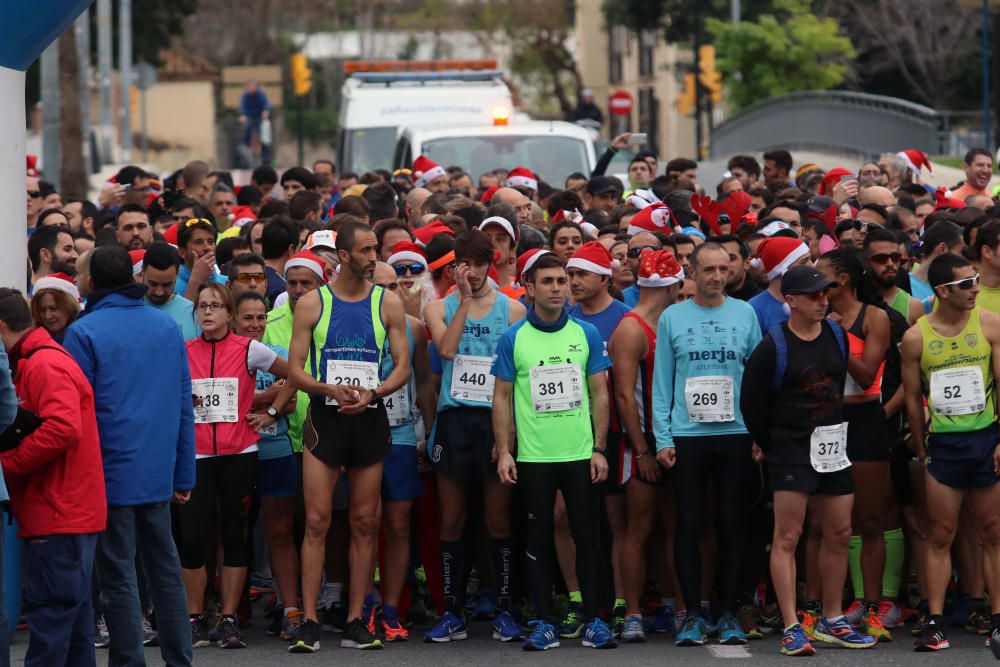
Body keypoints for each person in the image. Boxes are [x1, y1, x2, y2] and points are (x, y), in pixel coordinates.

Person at [62, 244, 195, 667]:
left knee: (118, 575)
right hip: (156, 468)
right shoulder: (166, 328)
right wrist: (184, 472)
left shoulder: (83, 332)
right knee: (165, 571)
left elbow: (76, 412)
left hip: (107, 471)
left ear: (91, 283)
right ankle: (180, 659)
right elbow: (182, 405)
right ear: (134, 279)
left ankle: (128, 661)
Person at [285, 222, 410, 652]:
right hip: (326, 417)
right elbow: (296, 368)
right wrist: (326, 389)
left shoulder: (387, 302)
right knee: (317, 521)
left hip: (369, 416)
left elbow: (402, 366)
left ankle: (358, 618)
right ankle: (311, 620)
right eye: (365, 250)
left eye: (376, 249)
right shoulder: (312, 304)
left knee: (363, 522)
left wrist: (374, 392)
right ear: (342, 254)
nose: (374, 256)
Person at [741, 265, 877, 656]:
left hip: (833, 447)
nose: (823, 300)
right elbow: (752, 404)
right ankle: (791, 625)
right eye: (815, 295)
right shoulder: (773, 346)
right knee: (788, 536)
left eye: (825, 293)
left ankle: (831, 619)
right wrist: (772, 443)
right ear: (792, 300)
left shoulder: (836, 334)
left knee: (838, 532)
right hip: (790, 450)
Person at [491, 252, 616, 651]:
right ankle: (544, 620)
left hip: (579, 455)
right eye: (547, 282)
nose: (557, 289)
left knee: (587, 536)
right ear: (529, 288)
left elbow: (600, 393)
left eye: (562, 281)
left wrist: (599, 448)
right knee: (537, 538)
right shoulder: (514, 338)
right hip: (534, 457)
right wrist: (505, 451)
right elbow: (501, 398)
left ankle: (596, 619)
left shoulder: (586, 334)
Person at [651, 242, 762, 646]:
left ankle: (729, 612)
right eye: (708, 270)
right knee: (689, 522)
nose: (717, 276)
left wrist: (757, 435)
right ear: (692, 273)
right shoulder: (672, 317)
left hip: (735, 435)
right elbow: (662, 381)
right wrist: (663, 437)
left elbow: (756, 380)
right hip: (688, 436)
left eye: (723, 268)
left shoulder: (745, 313)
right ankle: (694, 615)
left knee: (733, 523)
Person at [422, 230, 527, 643]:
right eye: (467, 265)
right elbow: (446, 351)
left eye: (482, 265)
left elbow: (517, 378)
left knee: (497, 519)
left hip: (495, 421)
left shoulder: (513, 310)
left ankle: (503, 607)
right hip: (454, 422)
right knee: (451, 519)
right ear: (455, 268)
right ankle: (452, 611)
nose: (475, 272)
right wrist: (464, 300)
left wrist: (510, 439)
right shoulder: (438, 306)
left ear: (492, 264)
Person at [180, 283, 290, 649]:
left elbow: (293, 376)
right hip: (196, 457)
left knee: (233, 535)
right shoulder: (184, 352)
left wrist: (269, 409)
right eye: (202, 306)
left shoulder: (249, 349)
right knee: (193, 537)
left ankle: (228, 618)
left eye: (215, 306)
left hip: (239, 454)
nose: (208, 312)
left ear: (229, 314)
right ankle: (195, 617)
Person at [900, 254, 1000, 655]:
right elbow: (911, 399)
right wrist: (922, 448)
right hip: (944, 447)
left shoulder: (990, 324)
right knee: (940, 534)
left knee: (992, 533)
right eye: (967, 283)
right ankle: (935, 622)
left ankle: (997, 620)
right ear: (942, 291)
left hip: (985, 441)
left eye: (976, 279)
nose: (976, 287)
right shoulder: (915, 337)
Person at [0, 289, 105, 666]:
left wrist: (7, 464)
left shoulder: (42, 364)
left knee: (54, 624)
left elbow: (62, 429)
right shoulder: (40, 359)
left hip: (58, 511)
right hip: (67, 510)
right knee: (72, 626)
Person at [815, 249, 893, 641]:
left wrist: (837, 335)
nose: (815, 281)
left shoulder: (874, 318)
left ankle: (871, 603)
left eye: (821, 273)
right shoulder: (815, 316)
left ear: (842, 279)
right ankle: (819, 606)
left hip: (864, 420)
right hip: (826, 421)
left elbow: (865, 378)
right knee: (825, 523)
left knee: (870, 520)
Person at [609, 249, 683, 643]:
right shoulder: (632, 329)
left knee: (676, 527)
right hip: (640, 441)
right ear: (672, 285)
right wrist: (641, 451)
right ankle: (634, 611)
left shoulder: (670, 323)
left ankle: (676, 605)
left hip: (673, 435)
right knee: (639, 528)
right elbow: (623, 397)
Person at [565, 241, 631, 634]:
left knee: (615, 519)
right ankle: (576, 599)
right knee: (563, 518)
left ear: (605, 278)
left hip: (614, 434)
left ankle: (622, 600)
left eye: (581, 274)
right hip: (564, 434)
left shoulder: (625, 319)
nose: (572, 282)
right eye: (570, 274)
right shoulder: (563, 318)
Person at [371, 262, 436, 642]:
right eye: (381, 286)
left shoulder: (414, 329)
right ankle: (364, 604)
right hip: (360, 435)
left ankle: (393, 609)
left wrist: (429, 435)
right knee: (364, 524)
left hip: (400, 437)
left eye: (395, 285)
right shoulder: (353, 325)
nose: (391, 293)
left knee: (398, 524)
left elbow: (424, 384)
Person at [747, 237, 811, 335]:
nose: (812, 266)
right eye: (804, 261)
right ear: (782, 269)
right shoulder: (754, 309)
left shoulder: (813, 299)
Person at [863, 227, 923, 324]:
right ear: (866, 261)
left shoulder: (914, 307)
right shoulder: (855, 300)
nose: (890, 263)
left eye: (895, 257)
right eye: (881, 258)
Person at [142, 242, 200, 340]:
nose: (159, 292)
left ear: (178, 273)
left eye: (166, 285)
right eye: (153, 284)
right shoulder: (127, 308)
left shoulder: (194, 314)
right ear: (142, 271)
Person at [174, 218, 228, 300]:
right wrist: (196, 280)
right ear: (182, 252)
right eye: (198, 242)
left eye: (211, 242)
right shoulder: (171, 285)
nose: (207, 248)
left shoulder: (227, 282)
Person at [29, 273, 80, 342]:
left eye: (53, 308)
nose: (48, 316)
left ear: (70, 307)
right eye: (42, 310)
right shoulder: (33, 341)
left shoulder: (82, 338)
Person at [239, 80, 272, 164]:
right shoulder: (245, 96)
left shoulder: (261, 94)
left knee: (264, 137)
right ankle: (246, 145)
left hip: (260, 117)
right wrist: (242, 115)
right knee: (247, 128)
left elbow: (266, 104)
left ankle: (265, 157)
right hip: (250, 117)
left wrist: (265, 111)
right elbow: (242, 106)